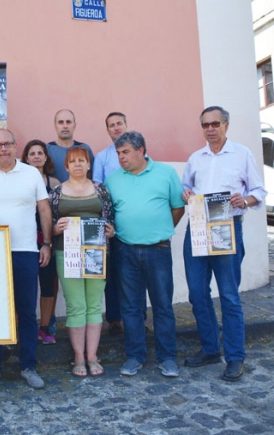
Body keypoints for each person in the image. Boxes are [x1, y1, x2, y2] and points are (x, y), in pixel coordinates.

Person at [182, 106, 267, 382]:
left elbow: (258, 191)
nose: (210, 129)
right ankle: (210, 348)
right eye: (205, 125)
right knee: (197, 293)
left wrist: (245, 200)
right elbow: (186, 188)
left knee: (229, 296)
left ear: (226, 125)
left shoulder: (242, 154)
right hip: (198, 229)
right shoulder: (196, 158)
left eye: (215, 123)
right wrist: (186, 194)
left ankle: (235, 357)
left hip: (228, 228)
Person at [0, 128, 52, 390]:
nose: (3, 148)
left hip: (26, 251)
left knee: (26, 311)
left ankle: (28, 366)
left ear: (16, 146)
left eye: (7, 144)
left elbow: (44, 210)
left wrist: (46, 244)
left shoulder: (31, 174)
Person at [105, 131, 185, 378]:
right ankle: (134, 356)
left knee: (162, 305)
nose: (121, 157)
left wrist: (159, 231)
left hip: (158, 250)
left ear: (141, 151)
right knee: (130, 307)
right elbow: (110, 213)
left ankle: (167, 357)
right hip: (125, 249)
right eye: (118, 153)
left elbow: (178, 208)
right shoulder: (113, 179)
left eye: (126, 152)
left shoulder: (166, 173)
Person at [50, 147, 115, 377]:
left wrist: (111, 231)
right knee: (76, 304)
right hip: (67, 253)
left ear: (89, 164)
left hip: (96, 252)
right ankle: (78, 358)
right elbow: (49, 222)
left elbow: (110, 217)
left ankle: (92, 356)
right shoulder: (57, 192)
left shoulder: (100, 190)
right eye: (72, 161)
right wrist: (54, 229)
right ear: (66, 166)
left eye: (82, 160)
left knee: (94, 304)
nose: (77, 164)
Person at [92, 112, 128, 336]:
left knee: (133, 273)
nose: (116, 128)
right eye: (111, 125)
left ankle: (137, 318)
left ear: (126, 125)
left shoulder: (140, 153)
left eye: (119, 123)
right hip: (110, 222)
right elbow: (97, 188)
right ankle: (114, 318)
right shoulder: (102, 157)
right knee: (112, 272)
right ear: (107, 130)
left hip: (133, 221)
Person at [21, 140, 60, 345]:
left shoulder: (54, 183)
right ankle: (20, 327)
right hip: (24, 240)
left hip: (47, 239)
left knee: (48, 284)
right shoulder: (20, 180)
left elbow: (58, 211)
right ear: (26, 158)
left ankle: (45, 327)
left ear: (46, 157)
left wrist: (50, 238)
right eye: (32, 153)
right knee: (22, 286)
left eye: (40, 153)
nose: (36, 156)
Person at [47, 109, 94, 182]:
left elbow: (91, 175)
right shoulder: (47, 150)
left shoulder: (84, 148)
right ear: (55, 126)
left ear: (74, 126)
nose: (65, 126)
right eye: (61, 122)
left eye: (68, 122)